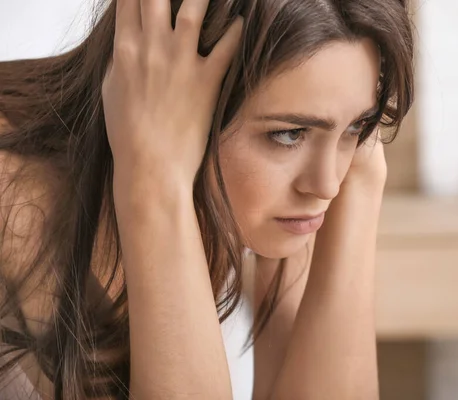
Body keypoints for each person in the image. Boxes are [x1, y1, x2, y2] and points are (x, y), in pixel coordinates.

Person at [0, 0, 414, 398]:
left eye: (357, 126)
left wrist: (364, 184)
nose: (328, 186)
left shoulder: (263, 198)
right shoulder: (13, 194)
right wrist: (154, 176)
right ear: (166, 96)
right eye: (288, 134)